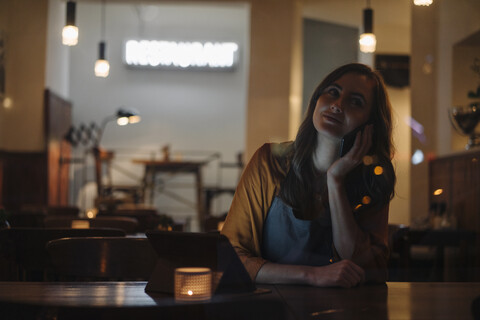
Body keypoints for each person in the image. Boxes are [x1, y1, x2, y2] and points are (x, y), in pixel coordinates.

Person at [221, 63, 396, 288]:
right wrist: (313, 275)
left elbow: (370, 268)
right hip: (269, 308)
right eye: (333, 92)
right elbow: (230, 257)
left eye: (355, 102)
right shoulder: (268, 161)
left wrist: (335, 181)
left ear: (370, 124)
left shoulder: (371, 179)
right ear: (316, 100)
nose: (337, 105)